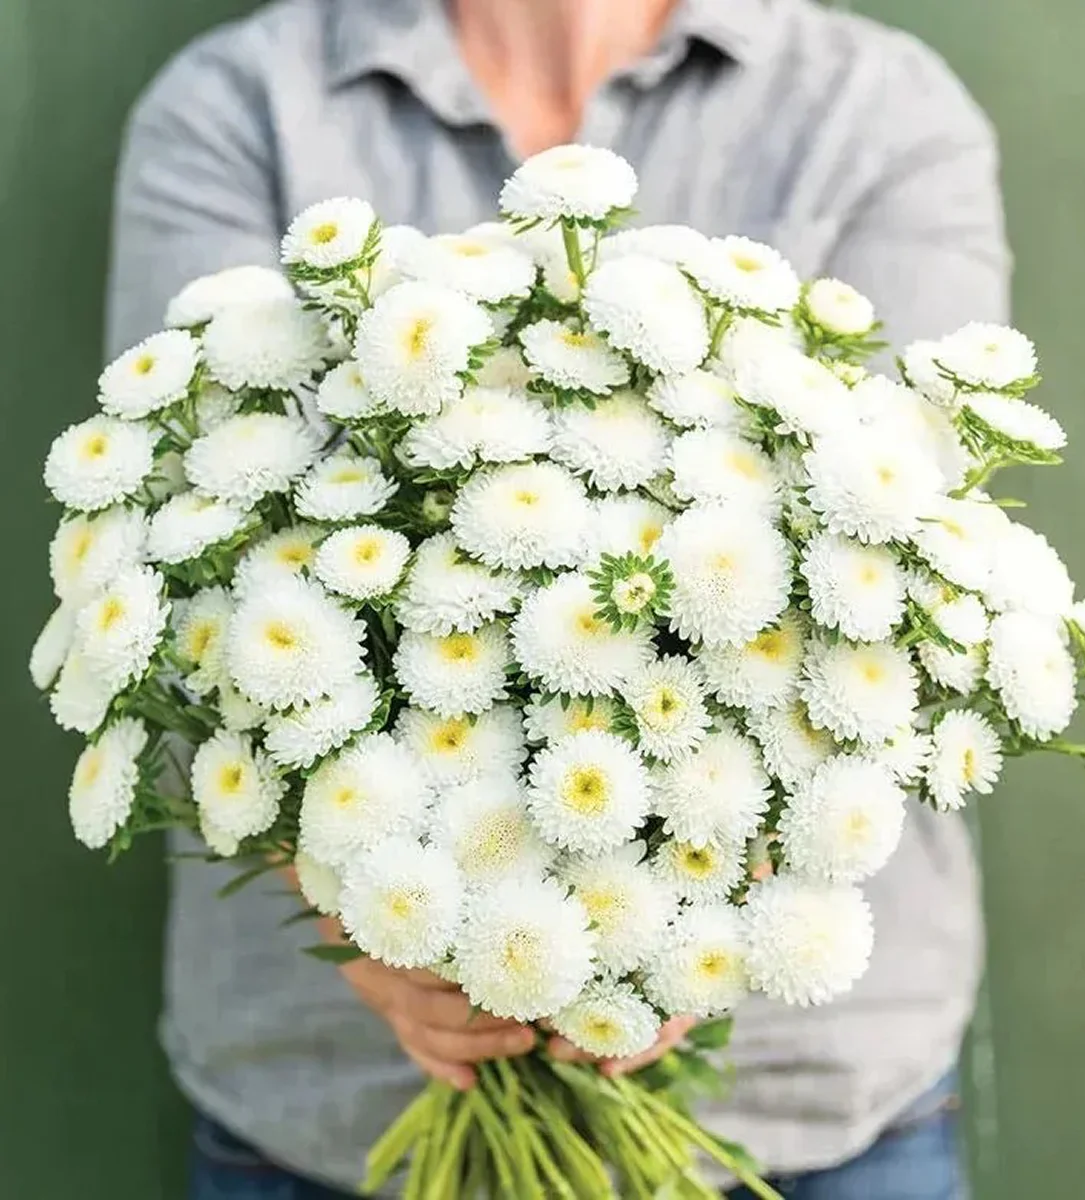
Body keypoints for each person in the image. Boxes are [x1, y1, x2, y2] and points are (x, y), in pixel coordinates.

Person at [106, 1, 1007, 1196]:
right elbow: (190, 569)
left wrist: (676, 937)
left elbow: (909, 573)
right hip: (330, 1114)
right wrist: (380, 925)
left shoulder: (877, 108)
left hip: (812, 1122)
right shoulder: (241, 103)